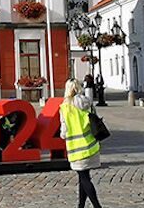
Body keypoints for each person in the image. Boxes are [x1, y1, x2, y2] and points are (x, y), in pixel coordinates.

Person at [60, 78, 103, 208]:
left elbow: (64, 131)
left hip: (76, 149)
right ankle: (81, 205)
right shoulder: (87, 103)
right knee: (83, 177)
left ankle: (97, 206)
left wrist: (63, 135)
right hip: (91, 146)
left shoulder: (65, 107)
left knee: (84, 178)